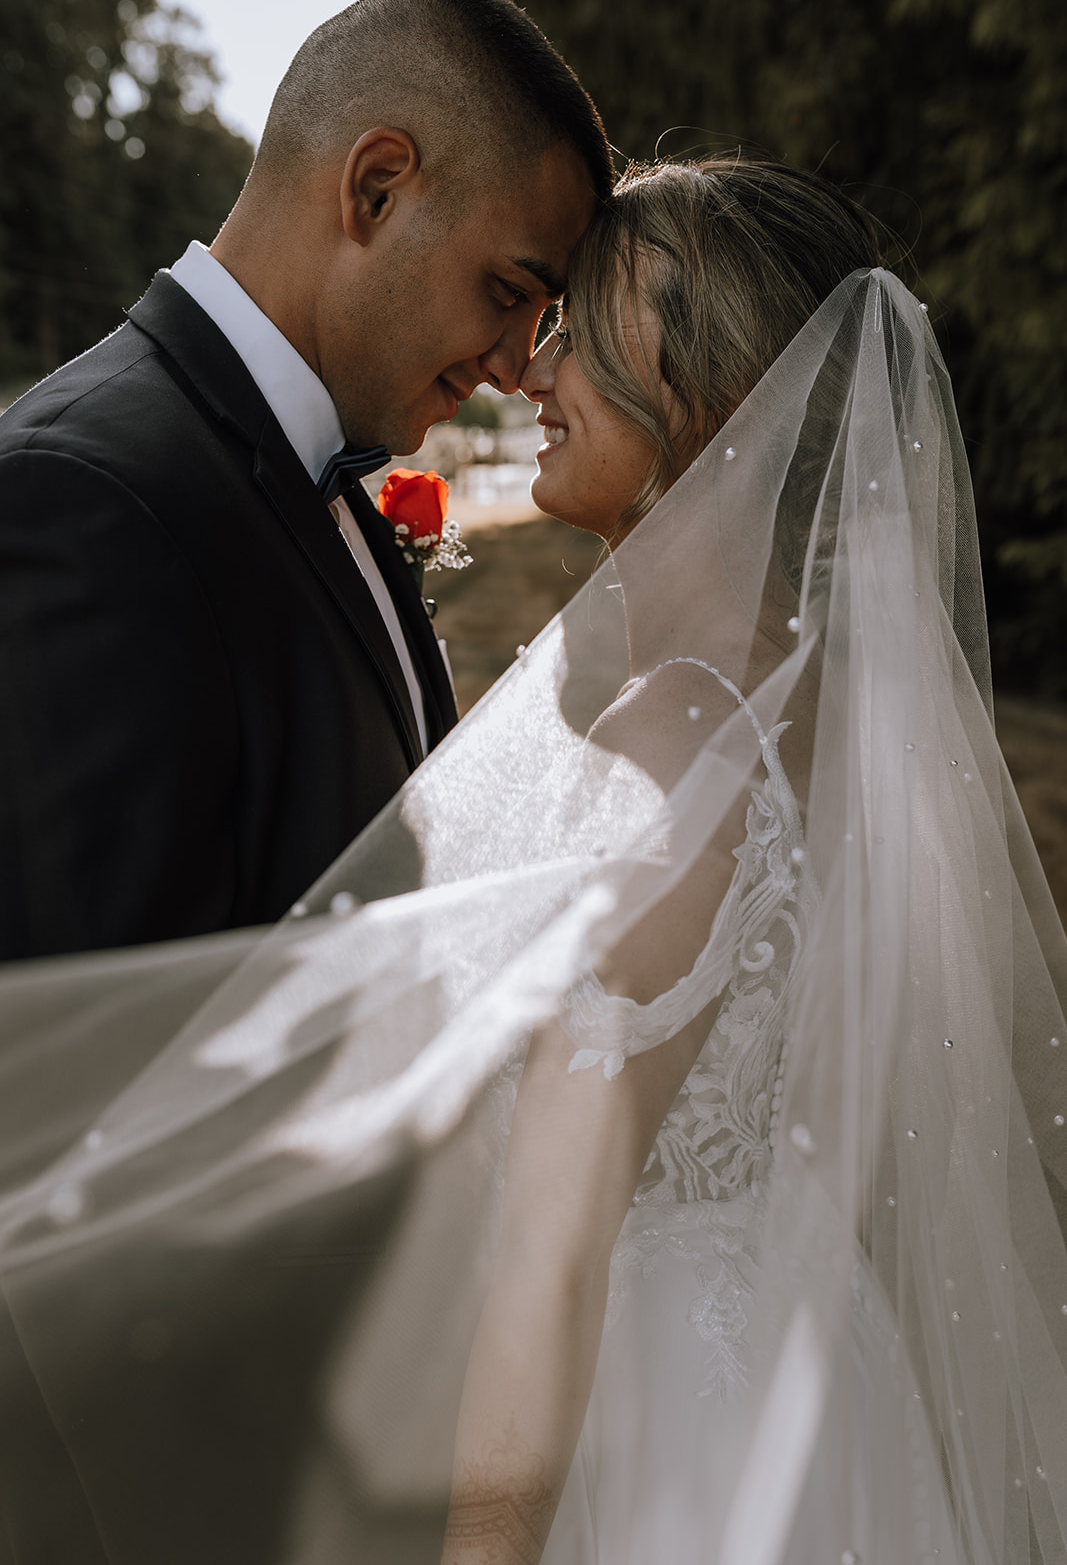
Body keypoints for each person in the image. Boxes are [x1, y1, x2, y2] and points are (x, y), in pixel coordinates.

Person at [0, 156, 1064, 1565]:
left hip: (649, 1450)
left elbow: (553, 1261)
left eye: (575, 332)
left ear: (703, 391)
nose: (530, 371)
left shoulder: (675, 733)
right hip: (797, 1386)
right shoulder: (803, 706)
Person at [0, 0, 608, 963]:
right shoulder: (85, 501)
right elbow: (95, 1063)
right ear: (375, 188)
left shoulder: (311, 469)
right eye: (507, 290)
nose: (513, 364)